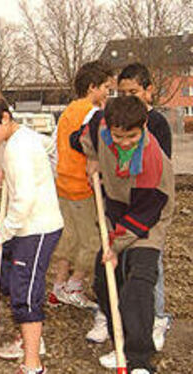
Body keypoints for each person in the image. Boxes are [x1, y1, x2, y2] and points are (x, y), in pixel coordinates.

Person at [75, 96, 174, 374]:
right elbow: (82, 136)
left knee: (139, 284)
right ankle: (120, 332)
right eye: (119, 136)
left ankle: (139, 358)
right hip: (116, 212)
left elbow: (144, 215)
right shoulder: (100, 124)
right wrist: (93, 157)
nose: (125, 142)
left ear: (143, 125)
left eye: (131, 136)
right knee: (104, 281)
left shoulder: (152, 162)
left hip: (148, 219)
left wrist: (115, 247)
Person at [0, 91, 63, 374]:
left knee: (25, 292)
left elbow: (23, 203)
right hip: (26, 228)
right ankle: (29, 338)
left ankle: (33, 363)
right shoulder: (23, 138)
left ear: (5, 117)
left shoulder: (17, 149)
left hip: (36, 229)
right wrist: (15, 173)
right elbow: (49, 147)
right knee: (9, 280)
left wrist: (2, 233)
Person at [49, 61, 112, 310]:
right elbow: (93, 145)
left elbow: (55, 147)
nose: (108, 92)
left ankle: (57, 287)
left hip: (63, 184)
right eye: (106, 87)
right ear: (92, 87)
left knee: (70, 239)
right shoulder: (92, 113)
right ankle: (74, 285)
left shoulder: (67, 112)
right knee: (93, 242)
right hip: (81, 187)